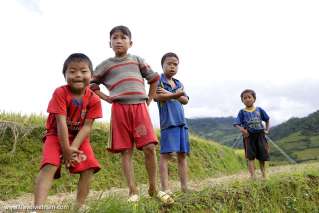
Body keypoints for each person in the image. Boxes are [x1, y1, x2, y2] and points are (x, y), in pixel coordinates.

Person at [90, 25, 172, 203]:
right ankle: (133, 191)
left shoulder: (137, 60)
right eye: (115, 38)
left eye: (123, 37)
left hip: (139, 108)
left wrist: (149, 99)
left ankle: (153, 188)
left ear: (130, 42)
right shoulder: (105, 65)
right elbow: (92, 83)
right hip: (119, 110)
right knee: (126, 151)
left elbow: (154, 78)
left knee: (149, 147)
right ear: (109, 43)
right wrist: (106, 97)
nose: (119, 40)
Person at [33, 53, 102, 210]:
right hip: (56, 135)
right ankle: (37, 208)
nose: (78, 75)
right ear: (64, 75)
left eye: (83, 71)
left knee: (89, 166)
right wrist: (65, 149)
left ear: (91, 75)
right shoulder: (60, 93)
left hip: (79, 138)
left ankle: (79, 206)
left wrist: (73, 149)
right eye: (72, 71)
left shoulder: (94, 99)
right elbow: (60, 122)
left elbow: (87, 127)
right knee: (49, 165)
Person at [155, 52, 190, 197]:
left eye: (175, 64)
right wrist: (176, 95)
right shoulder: (159, 81)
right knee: (166, 155)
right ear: (162, 65)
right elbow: (157, 97)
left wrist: (170, 95)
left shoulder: (178, 83)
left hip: (181, 123)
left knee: (182, 155)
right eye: (169, 64)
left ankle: (185, 188)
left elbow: (185, 100)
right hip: (168, 123)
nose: (172, 67)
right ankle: (165, 188)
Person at [233, 89, 270, 179]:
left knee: (262, 155)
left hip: (260, 135)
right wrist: (243, 130)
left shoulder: (259, 110)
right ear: (242, 100)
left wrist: (267, 129)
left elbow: (267, 119)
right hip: (249, 137)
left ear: (254, 99)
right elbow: (236, 124)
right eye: (244, 98)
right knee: (250, 156)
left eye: (249, 97)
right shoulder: (242, 112)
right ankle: (253, 176)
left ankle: (264, 175)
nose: (247, 99)